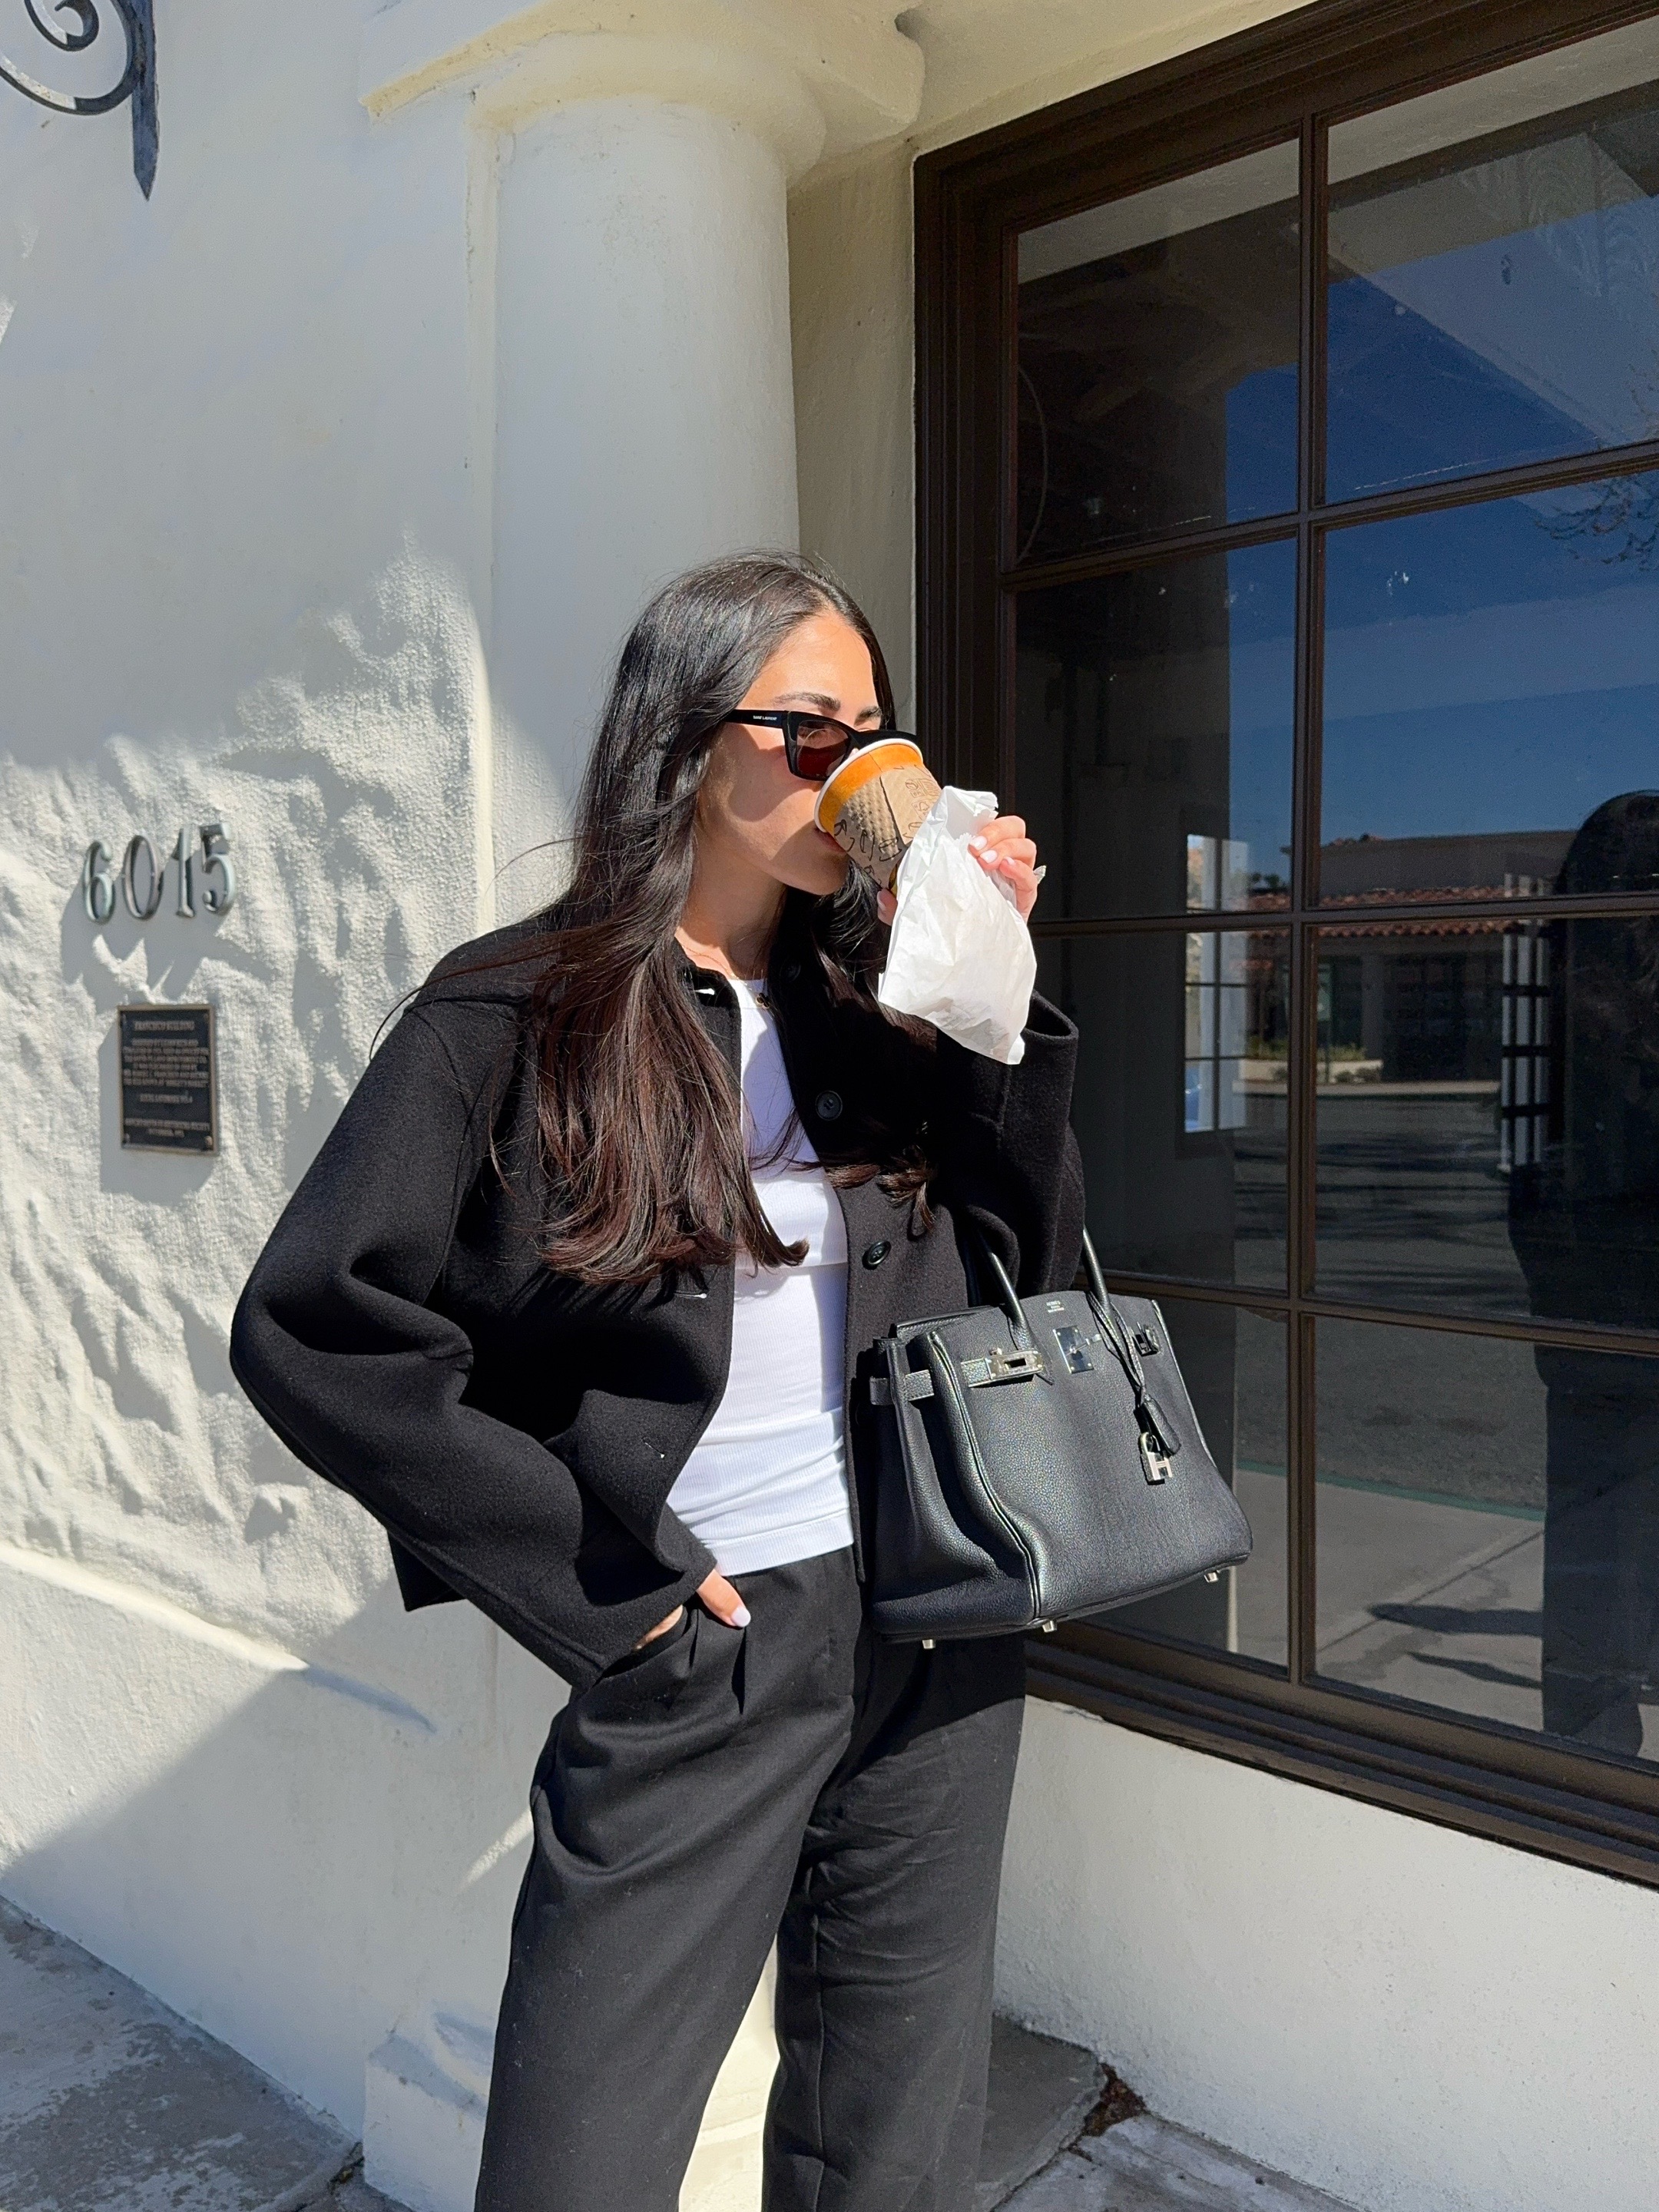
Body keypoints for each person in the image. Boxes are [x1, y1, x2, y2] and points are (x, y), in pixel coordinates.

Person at [230, 551, 1083, 2212]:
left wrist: (989, 986)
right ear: (688, 740)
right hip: (708, 1642)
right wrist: (611, 1593)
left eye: (877, 734)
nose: (855, 767)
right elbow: (316, 1324)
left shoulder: (880, 1004)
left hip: (934, 1614)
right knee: (583, 2155)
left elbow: (1022, 1255)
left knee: (896, 2137)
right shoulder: (518, 1009)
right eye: (812, 732)